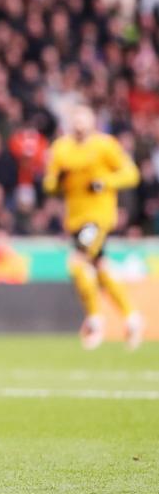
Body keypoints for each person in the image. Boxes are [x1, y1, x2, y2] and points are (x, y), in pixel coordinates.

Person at [42, 105, 142, 350]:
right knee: (99, 267)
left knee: (77, 262)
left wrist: (105, 181)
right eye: (75, 120)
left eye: (83, 120)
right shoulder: (60, 148)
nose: (79, 125)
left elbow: (131, 174)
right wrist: (58, 181)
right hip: (75, 220)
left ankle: (95, 321)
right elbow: (49, 185)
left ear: (92, 122)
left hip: (99, 217)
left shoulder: (105, 145)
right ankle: (132, 318)